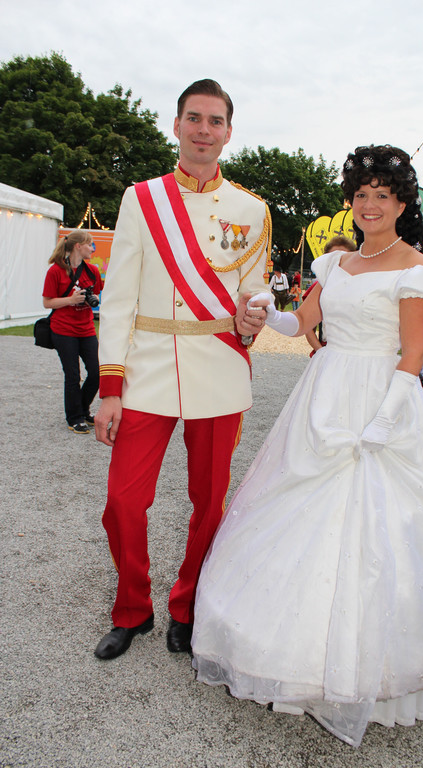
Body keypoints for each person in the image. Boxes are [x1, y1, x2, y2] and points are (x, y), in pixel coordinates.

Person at [192, 145, 423, 747]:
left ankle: (368, 666)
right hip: (322, 394)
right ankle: (283, 651)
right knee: (294, 505)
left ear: (402, 204)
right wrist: (266, 312)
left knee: (376, 523)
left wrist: (383, 423)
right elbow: (302, 325)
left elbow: (412, 355)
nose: (370, 205)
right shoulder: (334, 264)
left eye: (383, 195)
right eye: (361, 194)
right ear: (351, 201)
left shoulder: (415, 270)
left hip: (381, 398)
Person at [93, 79, 271, 661]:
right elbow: (118, 297)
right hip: (146, 373)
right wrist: (110, 387)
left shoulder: (252, 210)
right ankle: (132, 609)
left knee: (209, 504)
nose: (203, 130)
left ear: (228, 132)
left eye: (215, 121)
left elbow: (253, 293)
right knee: (123, 501)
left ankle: (187, 606)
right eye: (194, 118)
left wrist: (253, 317)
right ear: (176, 125)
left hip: (218, 372)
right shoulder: (141, 199)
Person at [42, 230, 102, 434]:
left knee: (97, 372)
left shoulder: (92, 270)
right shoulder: (55, 271)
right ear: (78, 246)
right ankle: (75, 418)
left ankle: (82, 409)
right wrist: (71, 300)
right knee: (73, 375)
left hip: (86, 328)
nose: (92, 248)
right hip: (63, 329)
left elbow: (97, 294)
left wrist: (89, 298)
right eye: (89, 244)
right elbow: (47, 302)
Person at [305, 235, 357, 355]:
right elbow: (307, 327)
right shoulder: (320, 286)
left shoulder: (361, 286)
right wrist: (321, 352)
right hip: (327, 349)